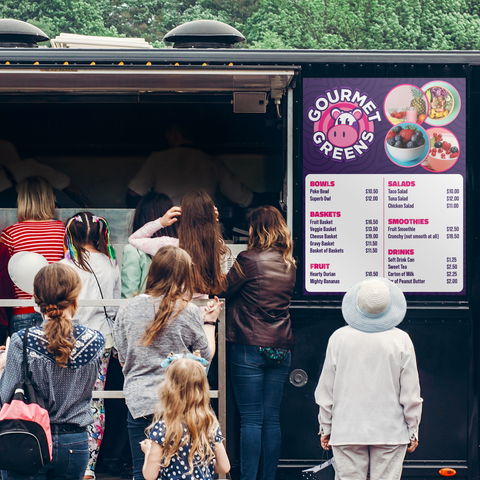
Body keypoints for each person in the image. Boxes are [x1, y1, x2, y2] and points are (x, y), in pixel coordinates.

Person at [113, 245, 222, 480]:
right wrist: (210, 323)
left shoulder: (127, 308)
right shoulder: (189, 310)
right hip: (181, 404)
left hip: (139, 402)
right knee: (186, 470)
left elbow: (121, 355)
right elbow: (204, 358)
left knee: (143, 472)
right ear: (184, 275)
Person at [0, 262, 105, 480]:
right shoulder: (96, 340)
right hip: (74, 443)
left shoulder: (23, 340)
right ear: (75, 297)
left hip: (26, 437)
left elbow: (5, 395)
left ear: (36, 299)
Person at [315, 278, 423, 480]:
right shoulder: (401, 340)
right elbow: (410, 392)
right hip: (391, 431)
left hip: (347, 429)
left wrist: (326, 426)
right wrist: (413, 429)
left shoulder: (339, 338)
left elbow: (326, 390)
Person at [221, 205, 296, 480]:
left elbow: (222, 289)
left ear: (256, 229)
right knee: (271, 419)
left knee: (251, 420)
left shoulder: (249, 259)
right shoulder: (289, 262)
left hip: (249, 345)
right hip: (280, 345)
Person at [60, 212, 121, 480]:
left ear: (71, 235)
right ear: (99, 235)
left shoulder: (66, 267)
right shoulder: (111, 264)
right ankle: (88, 466)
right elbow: (116, 307)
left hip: (69, 342)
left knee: (66, 399)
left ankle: (65, 460)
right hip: (102, 342)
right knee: (96, 401)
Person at [140, 357, 230, 480]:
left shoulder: (163, 428)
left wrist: (148, 451)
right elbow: (224, 467)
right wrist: (200, 464)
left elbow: (149, 475)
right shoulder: (210, 424)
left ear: (169, 390)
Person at [128, 189, 228, 298]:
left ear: (182, 217)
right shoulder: (216, 245)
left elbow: (134, 239)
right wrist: (211, 220)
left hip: (178, 311)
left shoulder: (169, 245)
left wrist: (160, 222)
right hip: (204, 311)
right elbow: (210, 236)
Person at [127, 124, 253, 208]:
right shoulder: (210, 161)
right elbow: (243, 197)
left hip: (167, 225)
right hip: (203, 228)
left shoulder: (158, 158)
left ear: (174, 135)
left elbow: (134, 193)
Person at [1, 176, 65, 334]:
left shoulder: (10, 234)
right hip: (57, 311)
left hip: (22, 312)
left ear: (21, 201)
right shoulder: (63, 231)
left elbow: (6, 279)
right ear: (49, 200)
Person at [0, 139, 92, 208]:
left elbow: (66, 184)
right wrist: (92, 211)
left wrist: (91, 211)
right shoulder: (30, 167)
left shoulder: (29, 167)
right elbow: (67, 185)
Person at [122, 192, 178, 298]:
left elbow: (129, 295)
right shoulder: (180, 248)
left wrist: (159, 223)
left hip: (143, 312)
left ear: (140, 218)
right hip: (177, 312)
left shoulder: (133, 250)